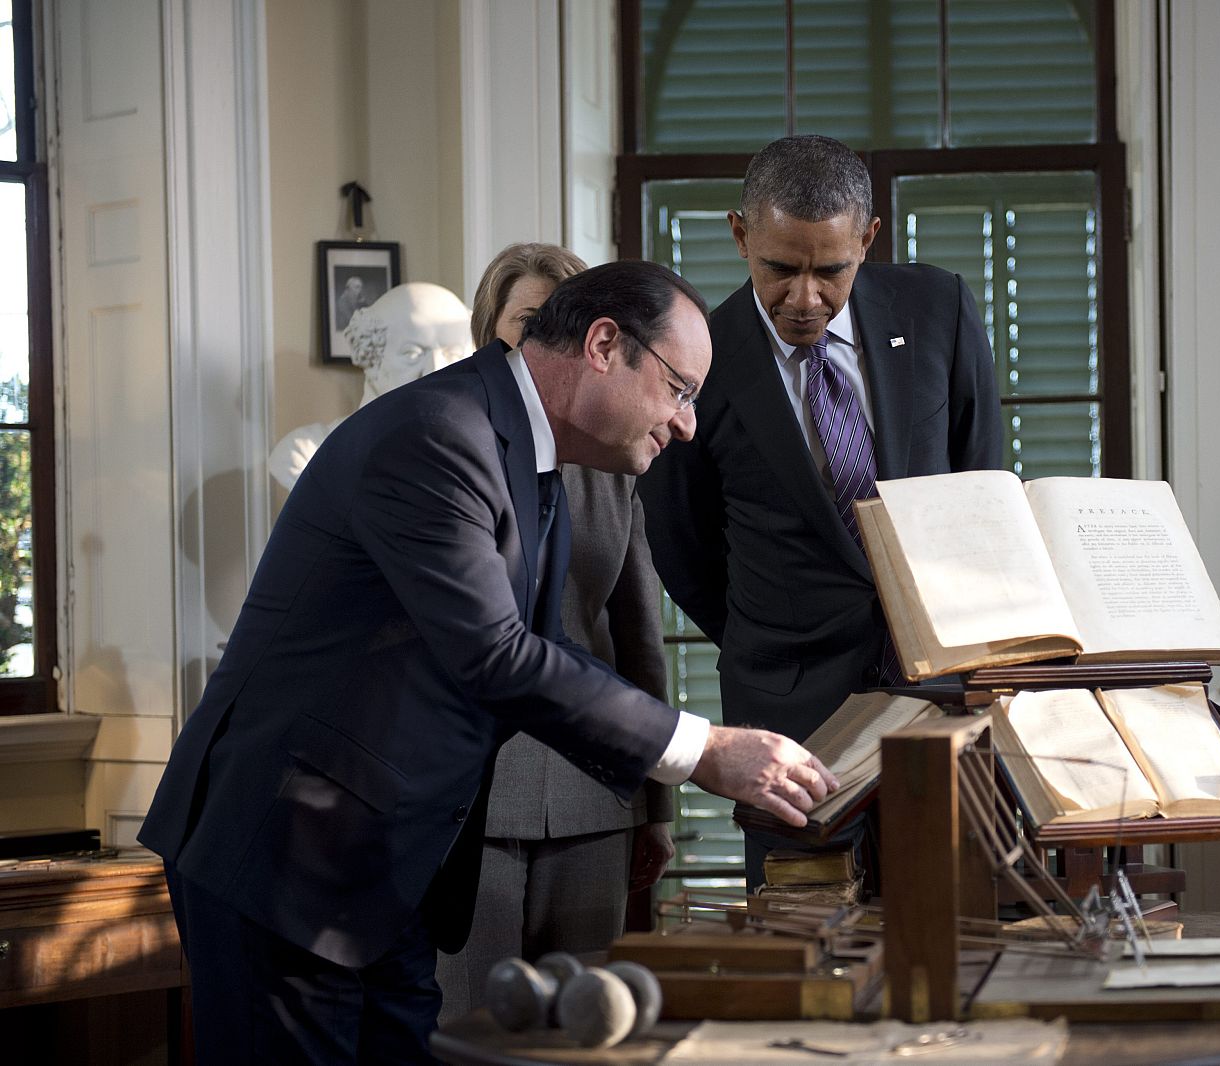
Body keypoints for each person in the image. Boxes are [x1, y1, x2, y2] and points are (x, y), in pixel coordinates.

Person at [139, 260, 838, 1065]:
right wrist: (702, 750)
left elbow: (548, 653)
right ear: (605, 345)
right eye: (680, 389)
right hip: (286, 857)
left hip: (386, 871)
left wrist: (664, 776)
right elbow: (495, 657)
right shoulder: (438, 432)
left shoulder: (529, 457)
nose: (686, 425)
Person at [638, 134, 1003, 885]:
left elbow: (983, 489)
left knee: (955, 936)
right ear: (741, 236)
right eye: (779, 268)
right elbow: (682, 544)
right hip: (788, 715)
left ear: (867, 239)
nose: (804, 299)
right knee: (805, 947)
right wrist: (775, 635)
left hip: (940, 699)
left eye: (830, 270)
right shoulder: (695, 356)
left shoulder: (940, 311)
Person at [434, 243, 674, 1021]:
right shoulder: (454, 449)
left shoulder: (619, 467)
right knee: (476, 1025)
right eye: (528, 322)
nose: (546, 338)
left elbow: (640, 639)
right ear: (490, 332)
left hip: (594, 798)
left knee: (589, 1028)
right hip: (476, 797)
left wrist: (657, 808)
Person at [268, 281, 474, 489]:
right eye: (412, 354)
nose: (436, 371)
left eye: (453, 355)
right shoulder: (306, 453)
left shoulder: (483, 458)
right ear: (370, 357)